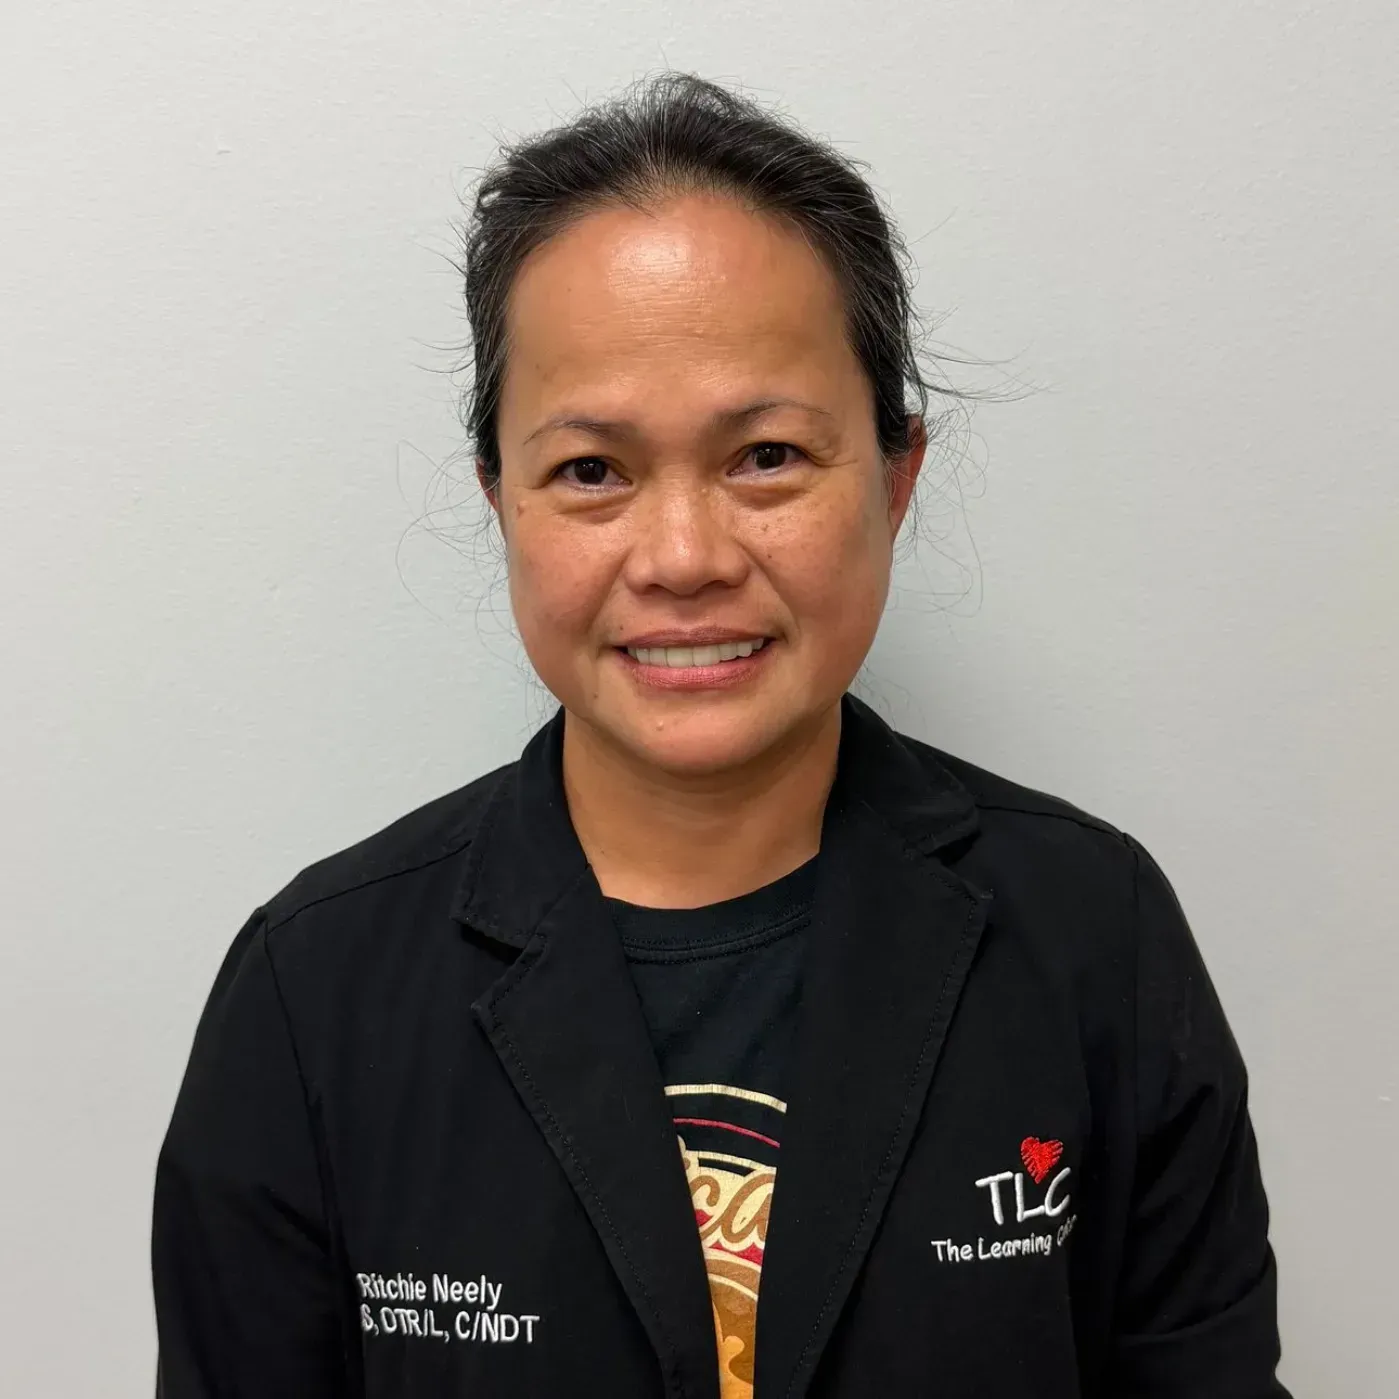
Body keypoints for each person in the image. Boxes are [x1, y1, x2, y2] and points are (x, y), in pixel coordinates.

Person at [151, 72, 1289, 1399]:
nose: (684, 557)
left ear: (895, 478)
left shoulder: (1095, 937)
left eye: (765, 456)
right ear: (500, 499)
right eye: (591, 471)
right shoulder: (313, 995)